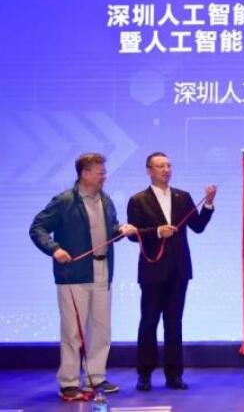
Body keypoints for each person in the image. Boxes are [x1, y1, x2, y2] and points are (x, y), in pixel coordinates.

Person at [29, 153, 136, 401]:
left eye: (104, 172)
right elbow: (37, 228)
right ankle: (69, 382)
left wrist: (121, 230)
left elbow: (110, 229)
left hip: (102, 271)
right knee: (73, 331)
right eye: (100, 172)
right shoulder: (65, 200)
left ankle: (95, 377)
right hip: (73, 274)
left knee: (101, 329)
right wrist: (54, 249)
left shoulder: (105, 200)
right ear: (85, 174)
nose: (104, 177)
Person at [127, 152, 216, 391]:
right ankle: (144, 374)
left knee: (174, 323)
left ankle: (174, 375)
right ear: (149, 170)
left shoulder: (182, 197)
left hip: (178, 270)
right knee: (149, 322)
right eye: (160, 166)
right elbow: (132, 236)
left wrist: (208, 203)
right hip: (152, 270)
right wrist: (158, 231)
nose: (166, 170)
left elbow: (198, 226)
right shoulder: (138, 200)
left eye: (168, 165)